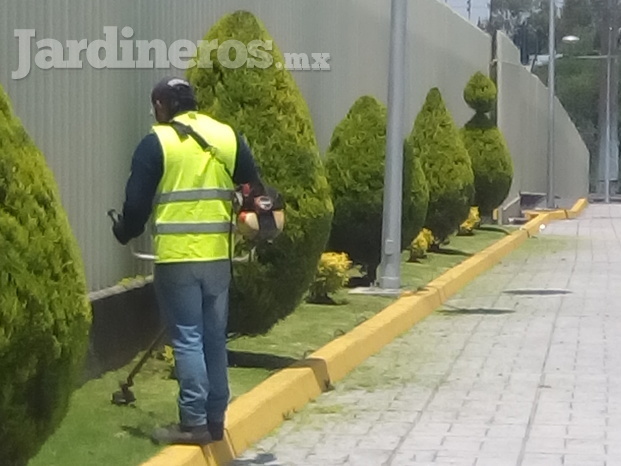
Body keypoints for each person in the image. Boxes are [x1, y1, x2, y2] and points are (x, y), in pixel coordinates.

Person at [112, 76, 260, 445]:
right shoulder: (227, 136)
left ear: (162, 105)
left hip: (178, 259)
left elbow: (135, 206)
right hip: (218, 258)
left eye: (155, 106)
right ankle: (214, 419)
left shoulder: (157, 142)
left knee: (188, 338)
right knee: (213, 338)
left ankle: (192, 422)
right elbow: (254, 189)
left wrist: (123, 231)